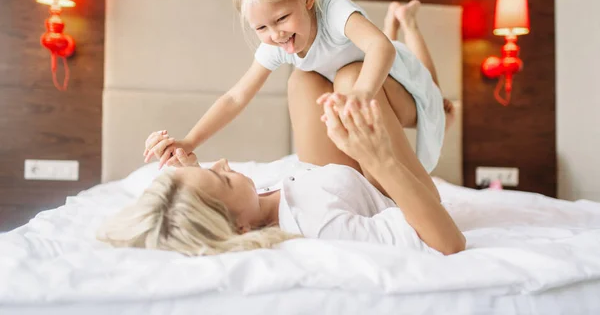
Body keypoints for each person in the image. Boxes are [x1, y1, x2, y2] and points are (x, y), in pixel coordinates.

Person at [143, 0, 451, 201]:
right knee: (306, 78)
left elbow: (381, 48)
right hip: (362, 86)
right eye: (261, 27)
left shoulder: (333, 11)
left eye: (281, 19)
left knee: (415, 81)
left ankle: (407, 23)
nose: (275, 34)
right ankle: (394, 24)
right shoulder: (278, 44)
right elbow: (236, 97)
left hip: (399, 84)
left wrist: (361, 92)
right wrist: (190, 141)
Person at [98, 96, 465, 256]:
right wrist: (378, 157)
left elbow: (189, 205)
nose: (223, 162)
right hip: (399, 187)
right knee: (354, 79)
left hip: (338, 175)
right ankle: (435, 115)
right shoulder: (320, 225)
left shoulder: (247, 207)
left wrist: (188, 166)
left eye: (212, 168)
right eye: (223, 178)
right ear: (240, 229)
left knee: (304, 76)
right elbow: (448, 241)